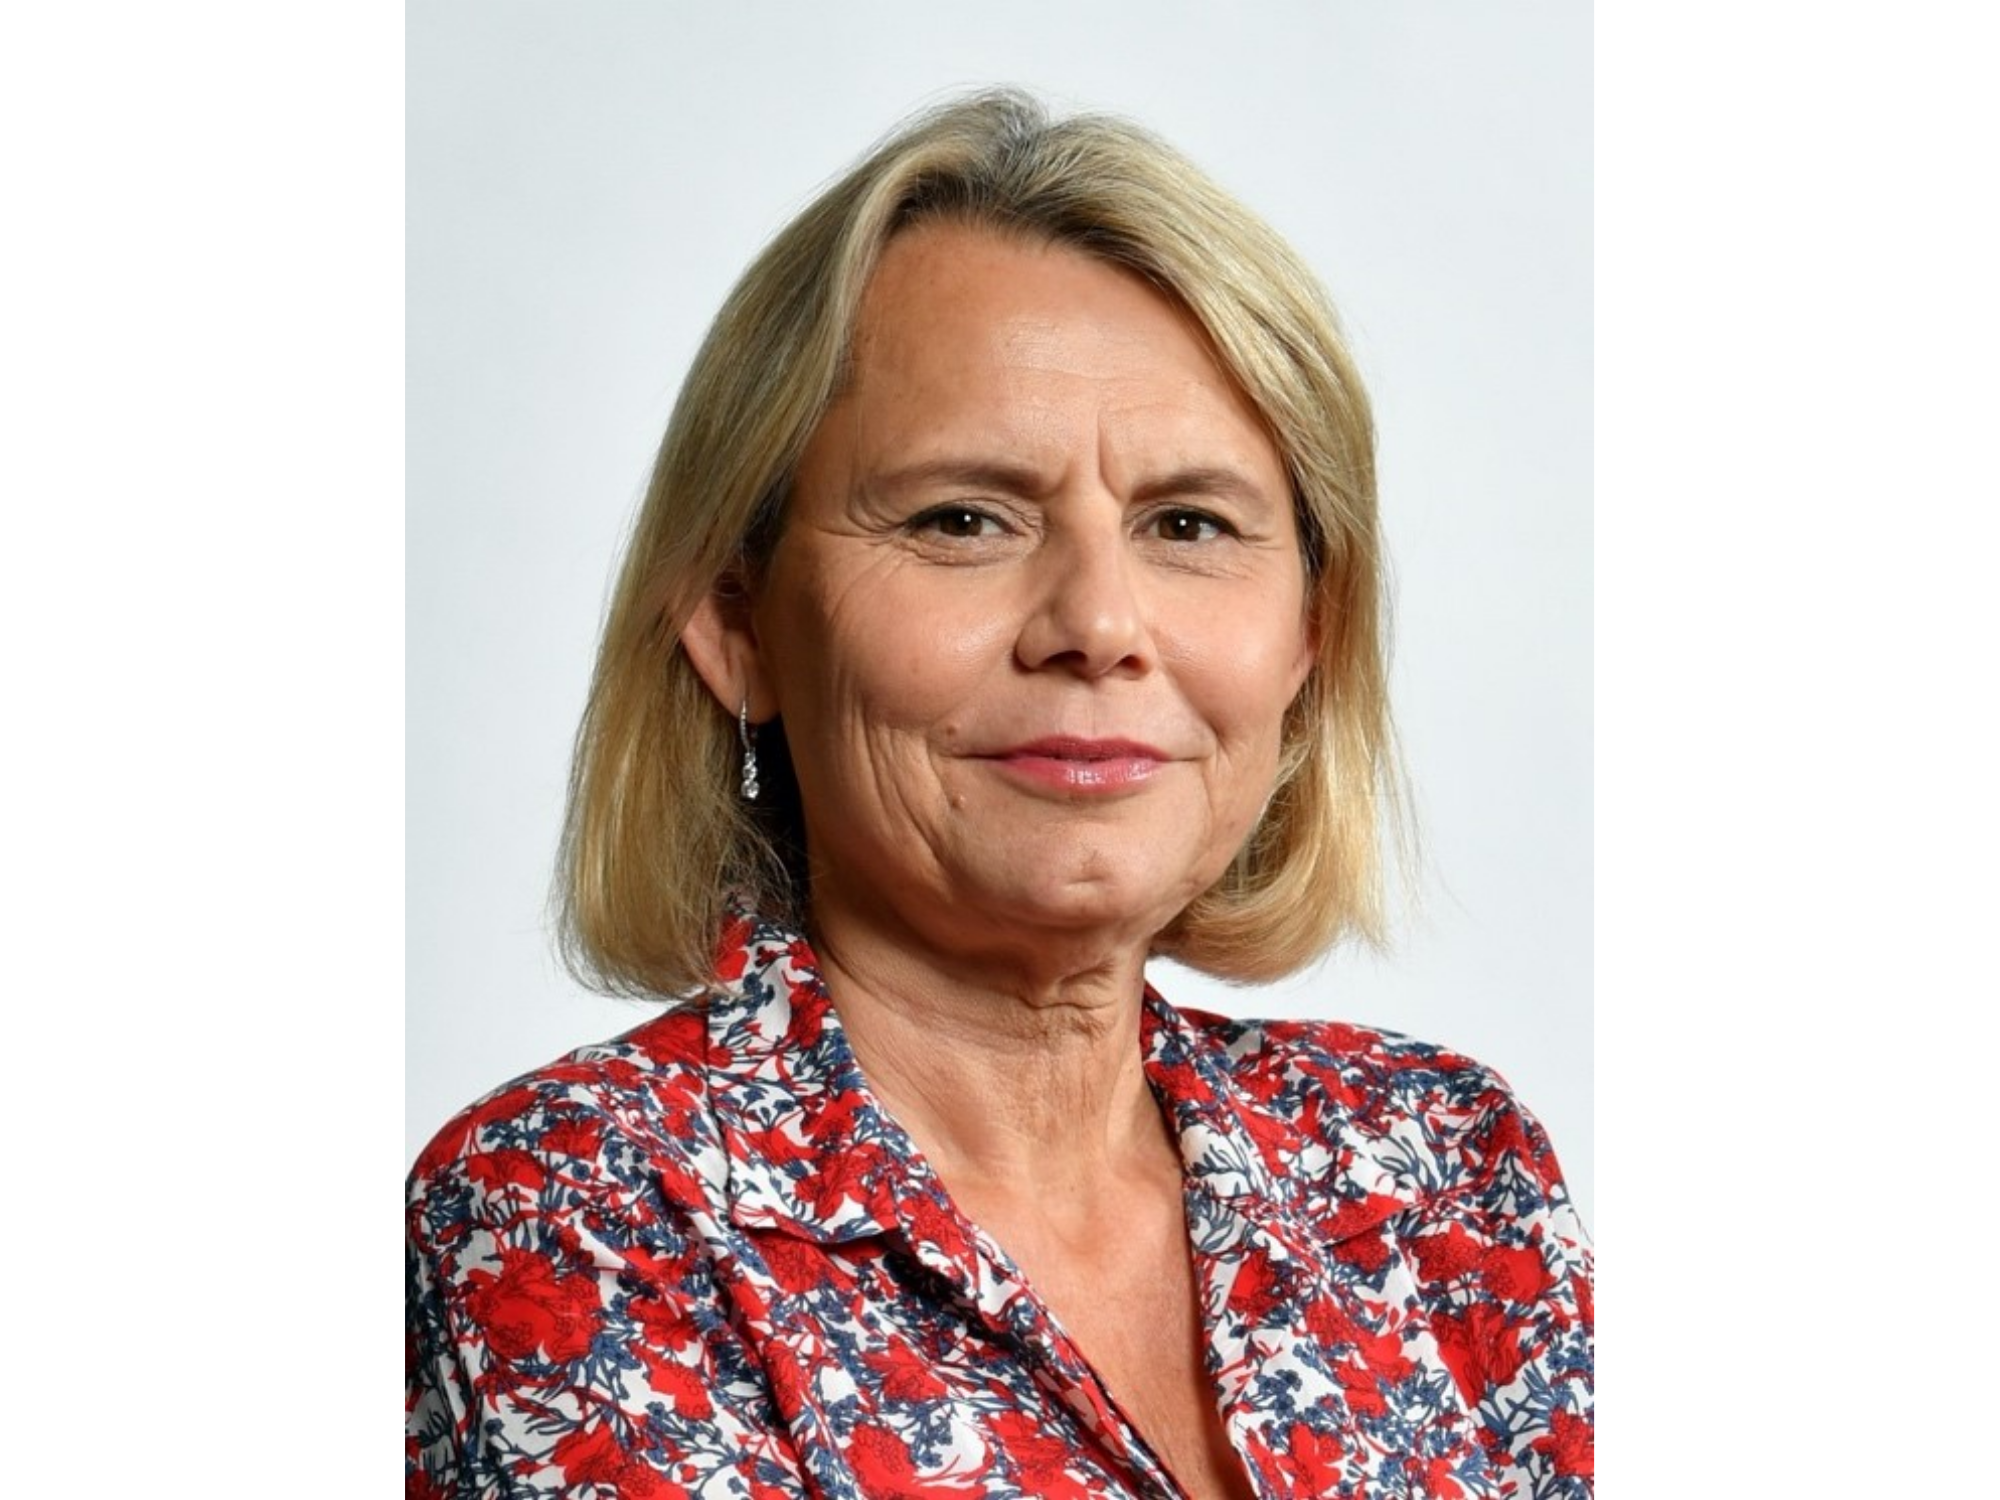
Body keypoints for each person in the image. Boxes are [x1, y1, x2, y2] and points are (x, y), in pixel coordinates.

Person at [406, 90, 1593, 1499]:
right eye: (963, 519)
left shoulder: (1437, 1169)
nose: (1099, 623)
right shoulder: (571, 1213)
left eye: (1189, 524)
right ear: (736, 623)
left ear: (1308, 637)